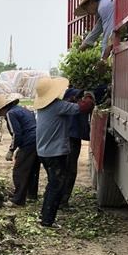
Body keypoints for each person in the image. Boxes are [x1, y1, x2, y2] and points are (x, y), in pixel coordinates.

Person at [33, 77, 95, 227]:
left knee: (52, 184)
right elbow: (84, 108)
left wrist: (73, 99)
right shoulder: (58, 106)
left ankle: (44, 216)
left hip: (43, 152)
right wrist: (88, 95)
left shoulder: (43, 108)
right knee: (56, 185)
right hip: (55, 154)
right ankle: (47, 220)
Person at [0, 93, 39, 206]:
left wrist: (11, 150)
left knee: (20, 171)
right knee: (32, 168)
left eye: (0, 113)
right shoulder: (21, 109)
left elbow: (16, 134)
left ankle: (18, 200)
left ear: (3, 109)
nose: (1, 116)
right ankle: (32, 195)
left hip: (29, 141)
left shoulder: (10, 114)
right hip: (38, 139)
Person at [60, 87, 90, 207]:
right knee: (69, 170)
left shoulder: (66, 105)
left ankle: (62, 199)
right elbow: (86, 106)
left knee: (67, 170)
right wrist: (89, 97)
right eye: (78, 97)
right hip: (70, 140)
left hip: (70, 139)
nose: (80, 99)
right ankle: (62, 200)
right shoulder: (70, 107)